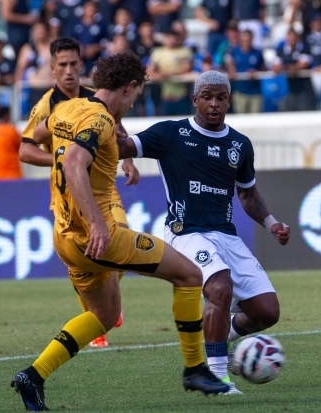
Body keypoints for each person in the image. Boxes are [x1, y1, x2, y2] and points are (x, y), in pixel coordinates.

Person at [11, 52, 229, 411]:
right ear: (128, 87)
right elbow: (74, 163)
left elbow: (39, 133)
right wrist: (98, 223)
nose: (132, 103)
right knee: (190, 275)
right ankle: (195, 369)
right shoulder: (99, 120)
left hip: (63, 236)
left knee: (105, 315)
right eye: (136, 95)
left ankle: (33, 376)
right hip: (99, 236)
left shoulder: (68, 108)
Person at [118, 71, 291, 395]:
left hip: (226, 234)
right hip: (185, 232)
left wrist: (271, 223)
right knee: (219, 287)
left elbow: (247, 194)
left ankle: (219, 338)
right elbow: (121, 146)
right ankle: (217, 376)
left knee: (266, 311)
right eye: (207, 97)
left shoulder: (239, 144)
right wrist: (111, 119)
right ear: (195, 99)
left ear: (229, 101)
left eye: (220, 98)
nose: (214, 104)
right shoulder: (171, 133)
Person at [19, 37, 139, 348]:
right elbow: (26, 150)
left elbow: (116, 128)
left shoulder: (96, 97)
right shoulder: (46, 105)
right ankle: (97, 322)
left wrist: (127, 160)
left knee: (119, 242)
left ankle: (108, 306)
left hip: (104, 190)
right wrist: (62, 159)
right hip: (68, 194)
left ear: (82, 65)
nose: (69, 70)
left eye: (74, 64)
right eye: (63, 65)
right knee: (85, 260)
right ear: (53, 68)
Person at [225, 29, 266, 114]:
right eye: (244, 38)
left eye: (248, 38)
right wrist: (231, 68)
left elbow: (264, 68)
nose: (246, 40)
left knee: (256, 117)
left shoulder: (258, 53)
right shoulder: (234, 51)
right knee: (240, 117)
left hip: (255, 92)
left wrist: (256, 72)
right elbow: (228, 61)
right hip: (240, 91)